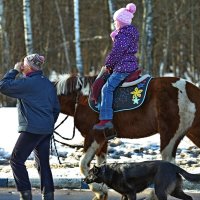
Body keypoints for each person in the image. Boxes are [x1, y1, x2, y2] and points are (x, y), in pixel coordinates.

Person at [0, 54, 60, 200]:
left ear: (29, 67)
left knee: (16, 160)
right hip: (46, 130)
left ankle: (25, 195)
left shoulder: (27, 83)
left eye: (24, 64)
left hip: (32, 129)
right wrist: (48, 125)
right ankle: (48, 195)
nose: (22, 66)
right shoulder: (47, 83)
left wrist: (14, 71)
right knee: (43, 163)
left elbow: (3, 86)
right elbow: (56, 108)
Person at [93, 3, 139, 130]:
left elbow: (117, 52)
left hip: (123, 67)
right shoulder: (129, 33)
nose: (114, 23)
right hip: (129, 64)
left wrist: (108, 64)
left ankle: (106, 119)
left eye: (115, 21)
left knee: (106, 89)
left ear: (121, 22)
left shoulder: (123, 35)